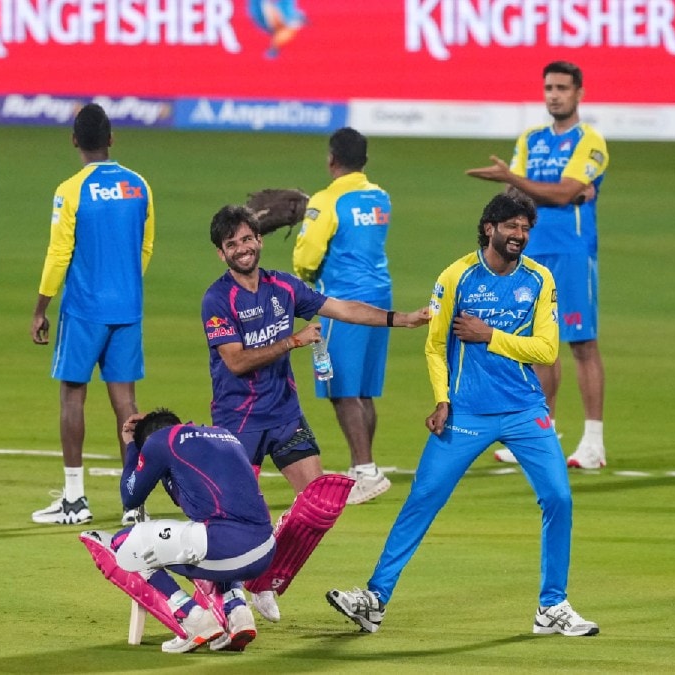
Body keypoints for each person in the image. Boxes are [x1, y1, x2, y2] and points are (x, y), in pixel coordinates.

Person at [327, 193, 599, 638]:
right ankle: (375, 599)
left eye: (525, 228)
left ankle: (552, 606)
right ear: (489, 228)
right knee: (423, 499)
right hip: (466, 412)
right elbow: (436, 346)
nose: (520, 235)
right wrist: (442, 399)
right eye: (511, 226)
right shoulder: (456, 277)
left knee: (559, 498)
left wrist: (489, 334)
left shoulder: (540, 279)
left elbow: (547, 350)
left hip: (524, 410)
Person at [202, 205, 428, 621]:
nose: (242, 248)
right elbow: (235, 361)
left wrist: (402, 319)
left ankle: (265, 579)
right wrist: (293, 341)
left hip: (284, 414)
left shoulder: (283, 287)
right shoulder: (217, 299)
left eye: (247, 239)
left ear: (259, 240)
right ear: (222, 253)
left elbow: (343, 309)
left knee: (319, 506)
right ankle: (221, 602)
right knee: (235, 519)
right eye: (232, 244)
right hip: (239, 420)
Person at [466, 61, 609, 470]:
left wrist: (537, 186)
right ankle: (539, 433)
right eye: (549, 88)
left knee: (581, 344)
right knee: (536, 345)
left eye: (562, 88)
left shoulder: (590, 140)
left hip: (572, 251)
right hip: (529, 251)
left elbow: (561, 194)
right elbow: (519, 195)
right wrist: (547, 189)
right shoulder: (531, 139)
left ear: (579, 93)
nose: (554, 95)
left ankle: (594, 443)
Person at [30, 103, 155, 525]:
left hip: (84, 309)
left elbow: (58, 252)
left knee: (72, 397)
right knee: (127, 404)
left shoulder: (71, 190)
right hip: (127, 308)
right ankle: (134, 505)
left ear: (74, 141)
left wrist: (41, 307)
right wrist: (124, 285)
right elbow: (145, 246)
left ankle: (74, 500)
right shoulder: (139, 185)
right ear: (111, 139)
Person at [80, 408, 275, 653]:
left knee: (125, 544)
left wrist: (132, 447)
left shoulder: (159, 442)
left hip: (229, 548)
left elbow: (130, 497)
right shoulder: (222, 435)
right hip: (265, 550)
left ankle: (194, 620)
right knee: (209, 533)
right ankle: (238, 613)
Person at [292, 127, 395, 505]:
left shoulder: (327, 200)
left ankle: (365, 470)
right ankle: (361, 467)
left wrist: (303, 276)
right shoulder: (380, 197)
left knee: (341, 388)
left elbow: (307, 256)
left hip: (342, 301)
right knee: (363, 389)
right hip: (379, 296)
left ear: (331, 159)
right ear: (364, 160)